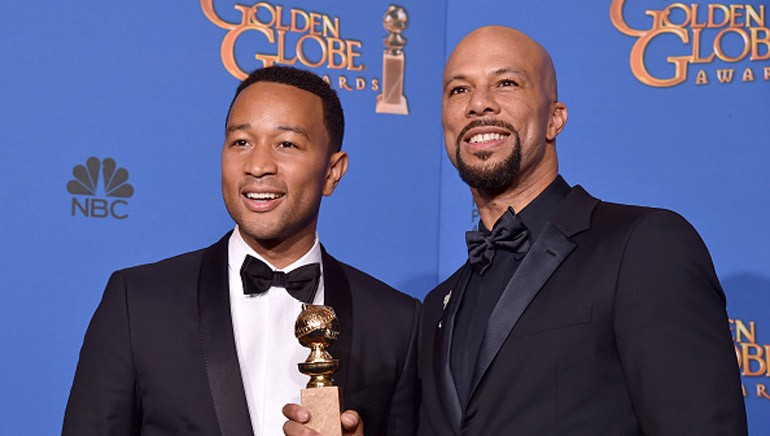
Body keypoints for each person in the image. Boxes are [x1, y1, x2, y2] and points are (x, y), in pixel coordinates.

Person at [417, 26, 747, 435]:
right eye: (458, 90)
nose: (479, 104)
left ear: (554, 119)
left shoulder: (644, 246)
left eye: (505, 83)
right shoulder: (437, 307)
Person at [63, 66, 419, 436]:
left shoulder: (394, 323)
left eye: (287, 144)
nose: (258, 166)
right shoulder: (137, 304)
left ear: (332, 171)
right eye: (241, 142)